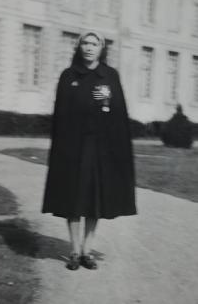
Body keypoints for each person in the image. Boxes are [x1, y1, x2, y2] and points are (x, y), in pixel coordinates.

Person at [42, 31, 137, 270]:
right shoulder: (69, 76)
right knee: (73, 198)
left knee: (95, 199)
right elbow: (61, 115)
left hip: (100, 149)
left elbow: (116, 114)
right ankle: (74, 251)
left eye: (94, 43)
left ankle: (87, 250)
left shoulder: (109, 76)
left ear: (101, 48)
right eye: (85, 43)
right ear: (79, 46)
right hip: (73, 148)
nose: (89, 47)